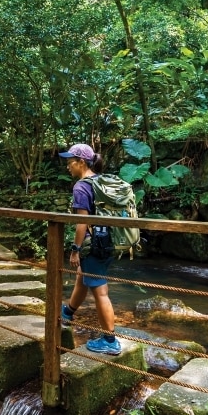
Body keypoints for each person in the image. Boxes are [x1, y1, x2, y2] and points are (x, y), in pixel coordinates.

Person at [58, 143, 122, 355]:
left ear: (81, 162)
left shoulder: (81, 187)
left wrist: (75, 249)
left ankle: (110, 340)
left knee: (100, 292)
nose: (68, 167)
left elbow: (81, 222)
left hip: (92, 245)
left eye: (70, 162)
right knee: (82, 277)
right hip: (107, 241)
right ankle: (68, 312)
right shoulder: (100, 181)